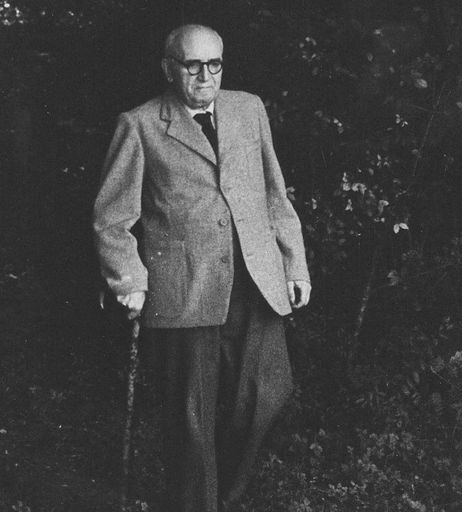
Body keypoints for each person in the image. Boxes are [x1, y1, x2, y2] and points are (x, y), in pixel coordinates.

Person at [93, 24, 311, 512]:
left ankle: (222, 496)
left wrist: (294, 263)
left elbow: (274, 193)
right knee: (191, 421)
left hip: (255, 281)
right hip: (185, 289)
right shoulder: (141, 124)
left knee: (266, 396)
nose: (205, 76)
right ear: (169, 68)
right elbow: (112, 218)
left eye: (214, 64)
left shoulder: (249, 109)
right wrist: (128, 278)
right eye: (192, 65)